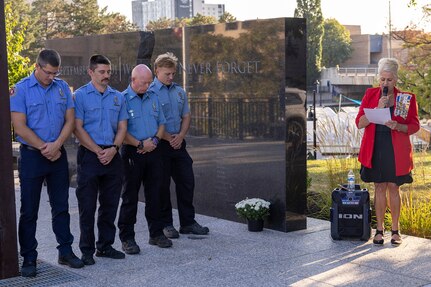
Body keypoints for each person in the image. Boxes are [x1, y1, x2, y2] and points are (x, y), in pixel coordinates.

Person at [10, 49, 84, 277]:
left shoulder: (62, 88)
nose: (51, 77)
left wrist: (56, 146)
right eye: (48, 72)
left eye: (55, 73)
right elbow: (19, 126)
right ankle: (29, 258)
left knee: (61, 207)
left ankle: (65, 251)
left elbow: (70, 121)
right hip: (33, 156)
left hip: (57, 155)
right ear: (37, 66)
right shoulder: (20, 89)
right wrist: (45, 147)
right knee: (29, 210)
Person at [355, 58, 419, 246]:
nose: (385, 83)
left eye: (389, 80)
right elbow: (359, 123)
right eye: (382, 79)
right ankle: (379, 230)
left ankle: (396, 231)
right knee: (379, 187)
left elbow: (414, 125)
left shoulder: (405, 98)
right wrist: (377, 109)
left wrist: (398, 125)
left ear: (396, 80)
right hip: (375, 148)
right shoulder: (371, 94)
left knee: (393, 187)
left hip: (396, 150)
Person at [73, 54, 128, 265]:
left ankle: (105, 246)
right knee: (87, 206)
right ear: (90, 72)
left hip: (113, 156)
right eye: (102, 72)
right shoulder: (80, 96)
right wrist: (97, 150)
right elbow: (77, 128)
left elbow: (123, 126)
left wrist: (114, 148)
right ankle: (86, 250)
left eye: (108, 72)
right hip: (89, 155)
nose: (106, 76)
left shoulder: (118, 97)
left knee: (110, 204)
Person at [148, 52, 209, 238]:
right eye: (167, 73)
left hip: (179, 143)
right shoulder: (150, 92)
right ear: (157, 70)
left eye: (173, 73)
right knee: (163, 186)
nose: (171, 77)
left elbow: (186, 115)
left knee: (186, 181)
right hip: (161, 144)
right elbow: (151, 121)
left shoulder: (179, 91)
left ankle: (188, 222)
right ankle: (167, 224)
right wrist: (168, 138)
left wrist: (181, 136)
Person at [118, 64, 173, 252]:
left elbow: (162, 123)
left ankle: (156, 234)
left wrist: (155, 140)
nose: (148, 86)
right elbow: (120, 131)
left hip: (154, 150)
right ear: (133, 80)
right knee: (130, 196)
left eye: (150, 82)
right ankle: (127, 238)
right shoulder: (122, 99)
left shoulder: (154, 97)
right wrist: (140, 144)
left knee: (155, 194)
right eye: (144, 82)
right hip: (133, 153)